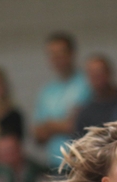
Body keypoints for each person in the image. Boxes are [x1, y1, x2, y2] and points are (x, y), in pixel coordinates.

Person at [33, 32, 90, 168]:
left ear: (72, 54)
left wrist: (50, 126)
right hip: (55, 165)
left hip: (83, 164)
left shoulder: (86, 84)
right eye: (52, 54)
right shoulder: (47, 92)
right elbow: (38, 134)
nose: (57, 58)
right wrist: (59, 125)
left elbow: (77, 125)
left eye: (61, 53)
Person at [73, 56, 117, 134]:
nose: (97, 78)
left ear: (109, 73)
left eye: (99, 73)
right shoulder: (86, 113)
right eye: (92, 74)